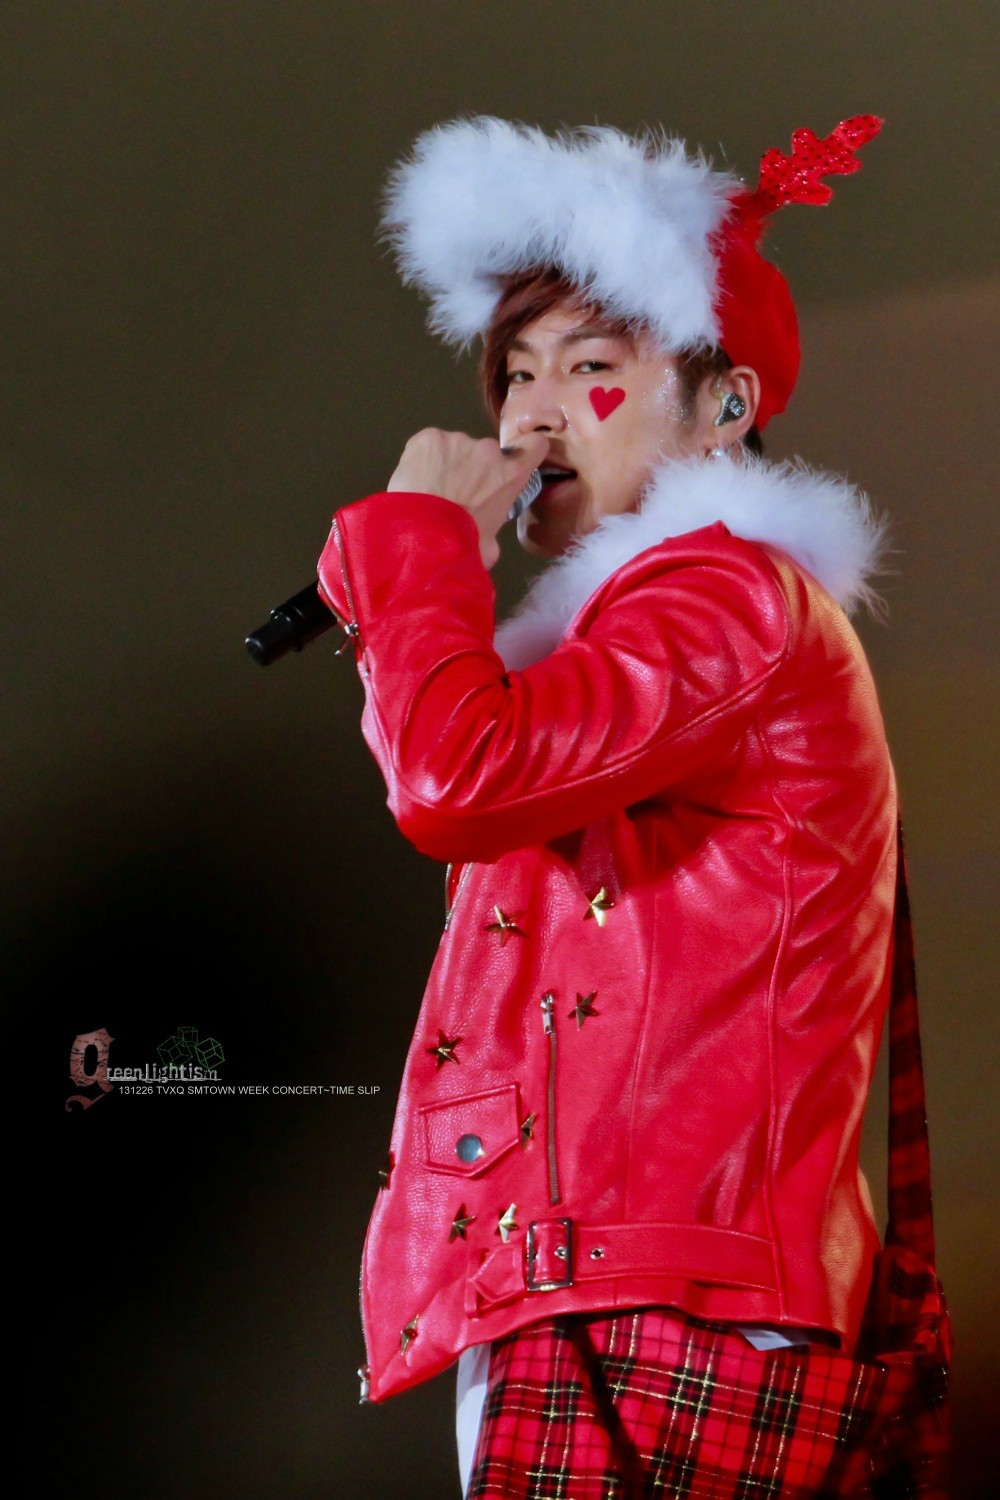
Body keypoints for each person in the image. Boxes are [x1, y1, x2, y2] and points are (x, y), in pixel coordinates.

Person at [317, 114, 899, 1497]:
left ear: (726, 407)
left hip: (658, 1304)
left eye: (591, 370)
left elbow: (455, 777)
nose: (529, 415)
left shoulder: (725, 596)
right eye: (515, 373)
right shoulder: (638, 639)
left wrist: (416, 550)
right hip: (612, 1287)